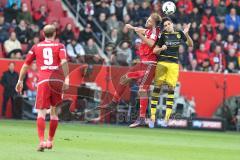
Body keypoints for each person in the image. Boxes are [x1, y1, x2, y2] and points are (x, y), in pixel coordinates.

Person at [99, 13, 161, 128]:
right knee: (124, 78)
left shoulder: (155, 32)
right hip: (143, 63)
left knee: (142, 90)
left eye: (149, 20)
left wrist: (139, 34)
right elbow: (142, 30)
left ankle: (142, 118)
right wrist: (132, 28)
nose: (147, 20)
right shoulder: (149, 31)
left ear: (154, 23)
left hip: (151, 65)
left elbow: (152, 44)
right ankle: (113, 103)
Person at [15, 25, 69, 152]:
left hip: (44, 80)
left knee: (41, 112)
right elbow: (64, 62)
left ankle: (41, 141)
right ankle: (50, 141)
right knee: (54, 112)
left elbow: (26, 65)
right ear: (55, 33)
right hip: (57, 81)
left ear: (43, 34)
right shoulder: (60, 46)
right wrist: (67, 78)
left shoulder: (36, 47)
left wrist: (20, 80)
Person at [149, 17, 193, 128]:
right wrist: (161, 49)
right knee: (157, 88)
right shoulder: (163, 35)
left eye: (168, 24)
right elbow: (154, 50)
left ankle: (166, 119)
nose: (167, 26)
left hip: (173, 65)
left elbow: (190, 44)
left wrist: (186, 34)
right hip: (162, 63)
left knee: (171, 89)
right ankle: (152, 117)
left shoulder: (179, 34)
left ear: (172, 24)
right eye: (165, 25)